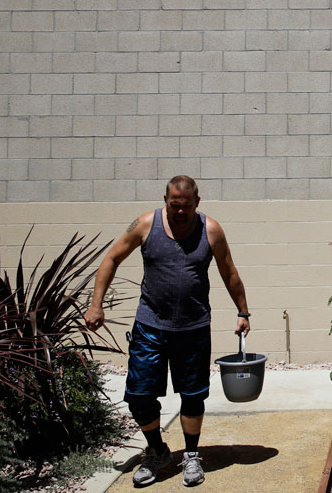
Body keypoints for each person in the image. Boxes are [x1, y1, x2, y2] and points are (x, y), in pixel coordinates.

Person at [85, 175, 250, 487]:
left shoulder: (210, 229)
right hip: (150, 327)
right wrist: (96, 305)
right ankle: (157, 450)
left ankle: (190, 455)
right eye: (174, 205)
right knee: (139, 397)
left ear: (196, 203)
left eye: (185, 206)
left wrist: (242, 311)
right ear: (165, 201)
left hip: (194, 327)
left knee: (192, 396)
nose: (179, 212)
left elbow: (229, 271)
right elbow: (112, 258)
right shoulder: (146, 225)